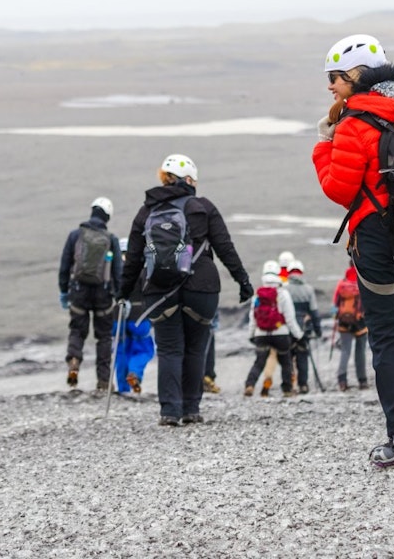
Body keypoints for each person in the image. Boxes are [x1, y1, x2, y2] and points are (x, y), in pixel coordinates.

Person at [312, 33, 394, 467]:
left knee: (385, 337)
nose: (330, 86)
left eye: (335, 77)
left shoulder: (354, 125)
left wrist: (324, 141)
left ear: (357, 76)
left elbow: (337, 188)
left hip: (377, 241)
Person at [118, 154, 254, 426]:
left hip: (159, 290)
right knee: (195, 348)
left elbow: (133, 259)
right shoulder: (202, 207)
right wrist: (243, 282)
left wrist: (123, 292)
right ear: (190, 179)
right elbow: (225, 248)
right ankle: (191, 408)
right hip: (201, 288)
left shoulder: (146, 211)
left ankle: (169, 411)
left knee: (169, 349)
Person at [58, 197, 123, 392]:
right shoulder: (111, 239)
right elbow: (118, 272)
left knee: (77, 331)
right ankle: (103, 382)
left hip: (78, 291)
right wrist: (120, 295)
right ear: (108, 216)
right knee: (104, 337)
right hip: (103, 295)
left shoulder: (75, 235)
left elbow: (64, 266)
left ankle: (74, 361)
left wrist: (64, 291)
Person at [243, 266, 303, 397]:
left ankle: (250, 385)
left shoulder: (258, 295)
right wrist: (298, 335)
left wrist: (251, 335)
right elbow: (289, 318)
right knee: (286, 361)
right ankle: (287, 389)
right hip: (281, 333)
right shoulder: (283, 293)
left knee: (259, 362)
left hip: (261, 334)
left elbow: (253, 317)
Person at [113, 239, 155, 394]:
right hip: (140, 317)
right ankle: (134, 373)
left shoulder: (115, 269)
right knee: (145, 350)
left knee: (121, 352)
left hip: (118, 318)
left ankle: (123, 388)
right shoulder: (143, 269)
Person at [285, 259, 321, 394]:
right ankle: (303, 384)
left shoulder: (284, 289)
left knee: (287, 357)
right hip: (305, 328)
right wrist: (318, 330)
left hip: (288, 328)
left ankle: (289, 384)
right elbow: (314, 312)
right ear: (301, 272)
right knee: (303, 356)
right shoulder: (309, 290)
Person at [333, 264, 369, 392]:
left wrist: (336, 316)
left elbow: (335, 302)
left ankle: (342, 380)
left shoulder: (342, 283)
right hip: (360, 322)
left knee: (345, 351)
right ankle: (362, 381)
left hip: (344, 321)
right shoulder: (364, 280)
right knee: (360, 352)